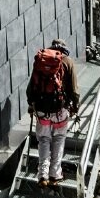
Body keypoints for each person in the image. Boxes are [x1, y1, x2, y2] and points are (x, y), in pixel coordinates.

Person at [26, 38, 80, 187]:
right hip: (60, 110)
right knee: (59, 139)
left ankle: (42, 175)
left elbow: (31, 89)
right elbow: (75, 91)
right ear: (64, 48)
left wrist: (31, 105)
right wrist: (76, 106)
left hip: (42, 110)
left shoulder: (41, 61)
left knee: (44, 140)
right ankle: (55, 175)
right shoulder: (68, 62)